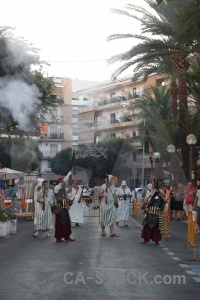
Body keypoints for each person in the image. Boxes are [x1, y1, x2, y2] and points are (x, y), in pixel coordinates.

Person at [141, 180, 167, 245]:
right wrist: (145, 206)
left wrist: (158, 189)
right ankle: (145, 239)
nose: (152, 186)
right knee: (147, 226)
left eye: (153, 184)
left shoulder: (159, 192)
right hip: (150, 212)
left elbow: (164, 196)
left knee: (156, 227)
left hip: (156, 212)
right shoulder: (151, 192)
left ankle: (156, 240)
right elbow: (146, 200)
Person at [53, 170, 75, 242]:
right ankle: (58, 237)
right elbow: (63, 183)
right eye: (62, 181)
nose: (63, 183)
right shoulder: (56, 188)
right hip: (59, 206)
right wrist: (68, 174)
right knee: (60, 223)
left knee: (67, 222)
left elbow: (67, 195)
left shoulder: (63, 189)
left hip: (64, 205)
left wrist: (68, 201)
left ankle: (67, 236)